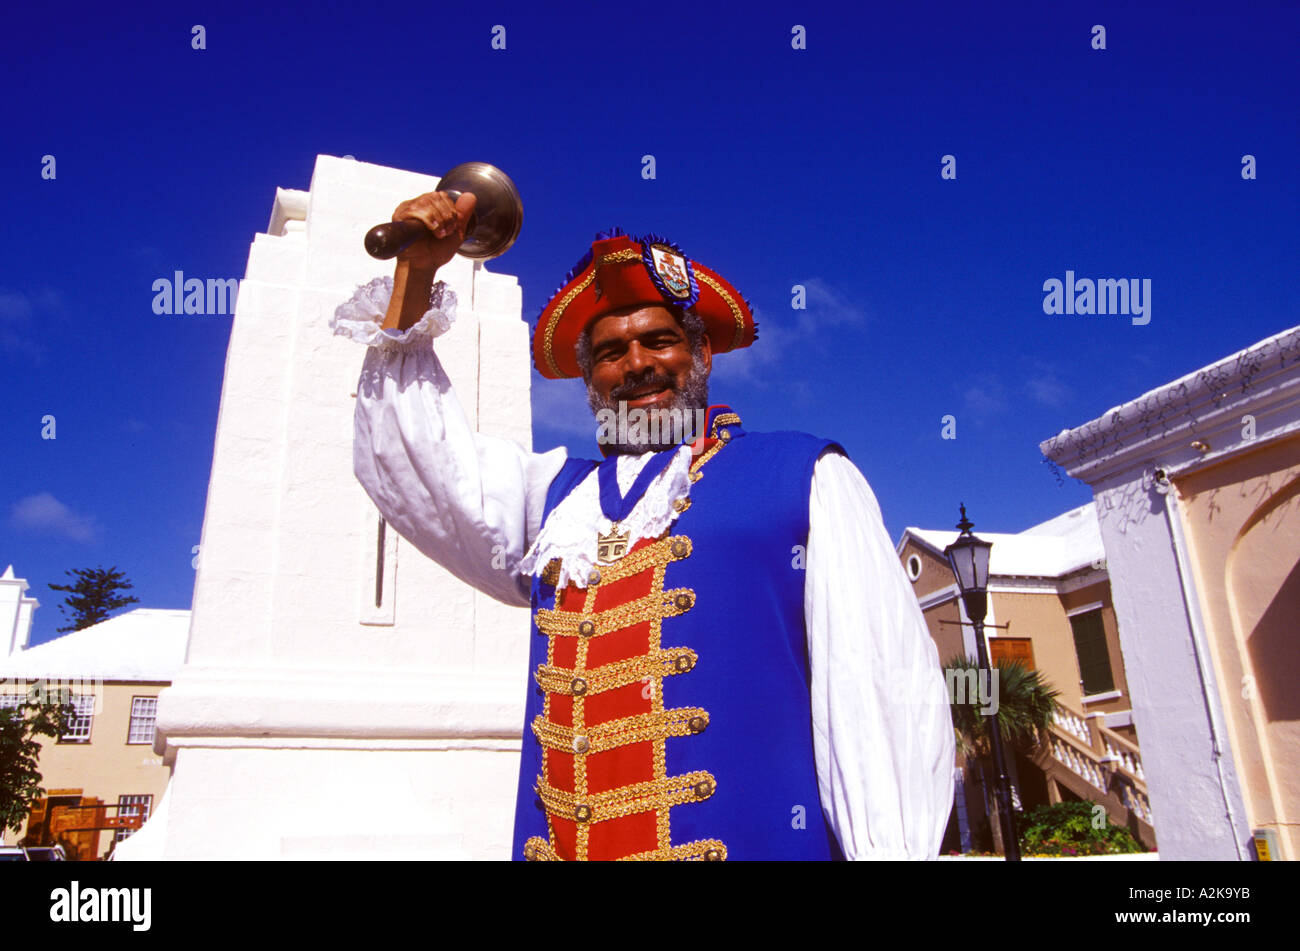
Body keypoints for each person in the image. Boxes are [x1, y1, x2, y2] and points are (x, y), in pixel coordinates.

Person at [331, 190, 955, 860]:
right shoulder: (554, 502)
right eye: (610, 352)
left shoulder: (805, 478)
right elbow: (419, 462)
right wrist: (415, 276)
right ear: (590, 379)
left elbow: (877, 695)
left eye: (659, 340)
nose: (636, 365)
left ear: (703, 355)